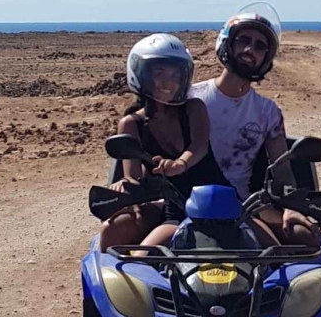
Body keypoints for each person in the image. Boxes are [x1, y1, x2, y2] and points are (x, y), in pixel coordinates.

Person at [190, 3, 316, 246]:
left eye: (260, 46)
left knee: (305, 238)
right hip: (189, 200)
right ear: (228, 43)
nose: (250, 49)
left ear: (266, 58)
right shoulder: (191, 98)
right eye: (244, 40)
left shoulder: (268, 112)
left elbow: (282, 170)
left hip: (246, 205)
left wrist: (289, 207)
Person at [98, 34, 230, 249]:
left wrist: (180, 164)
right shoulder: (132, 124)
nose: (169, 82)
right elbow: (133, 177)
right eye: (160, 73)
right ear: (142, 75)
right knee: (127, 245)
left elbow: (200, 146)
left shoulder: (193, 108)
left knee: (265, 245)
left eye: (175, 74)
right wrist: (123, 185)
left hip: (215, 197)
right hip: (174, 205)